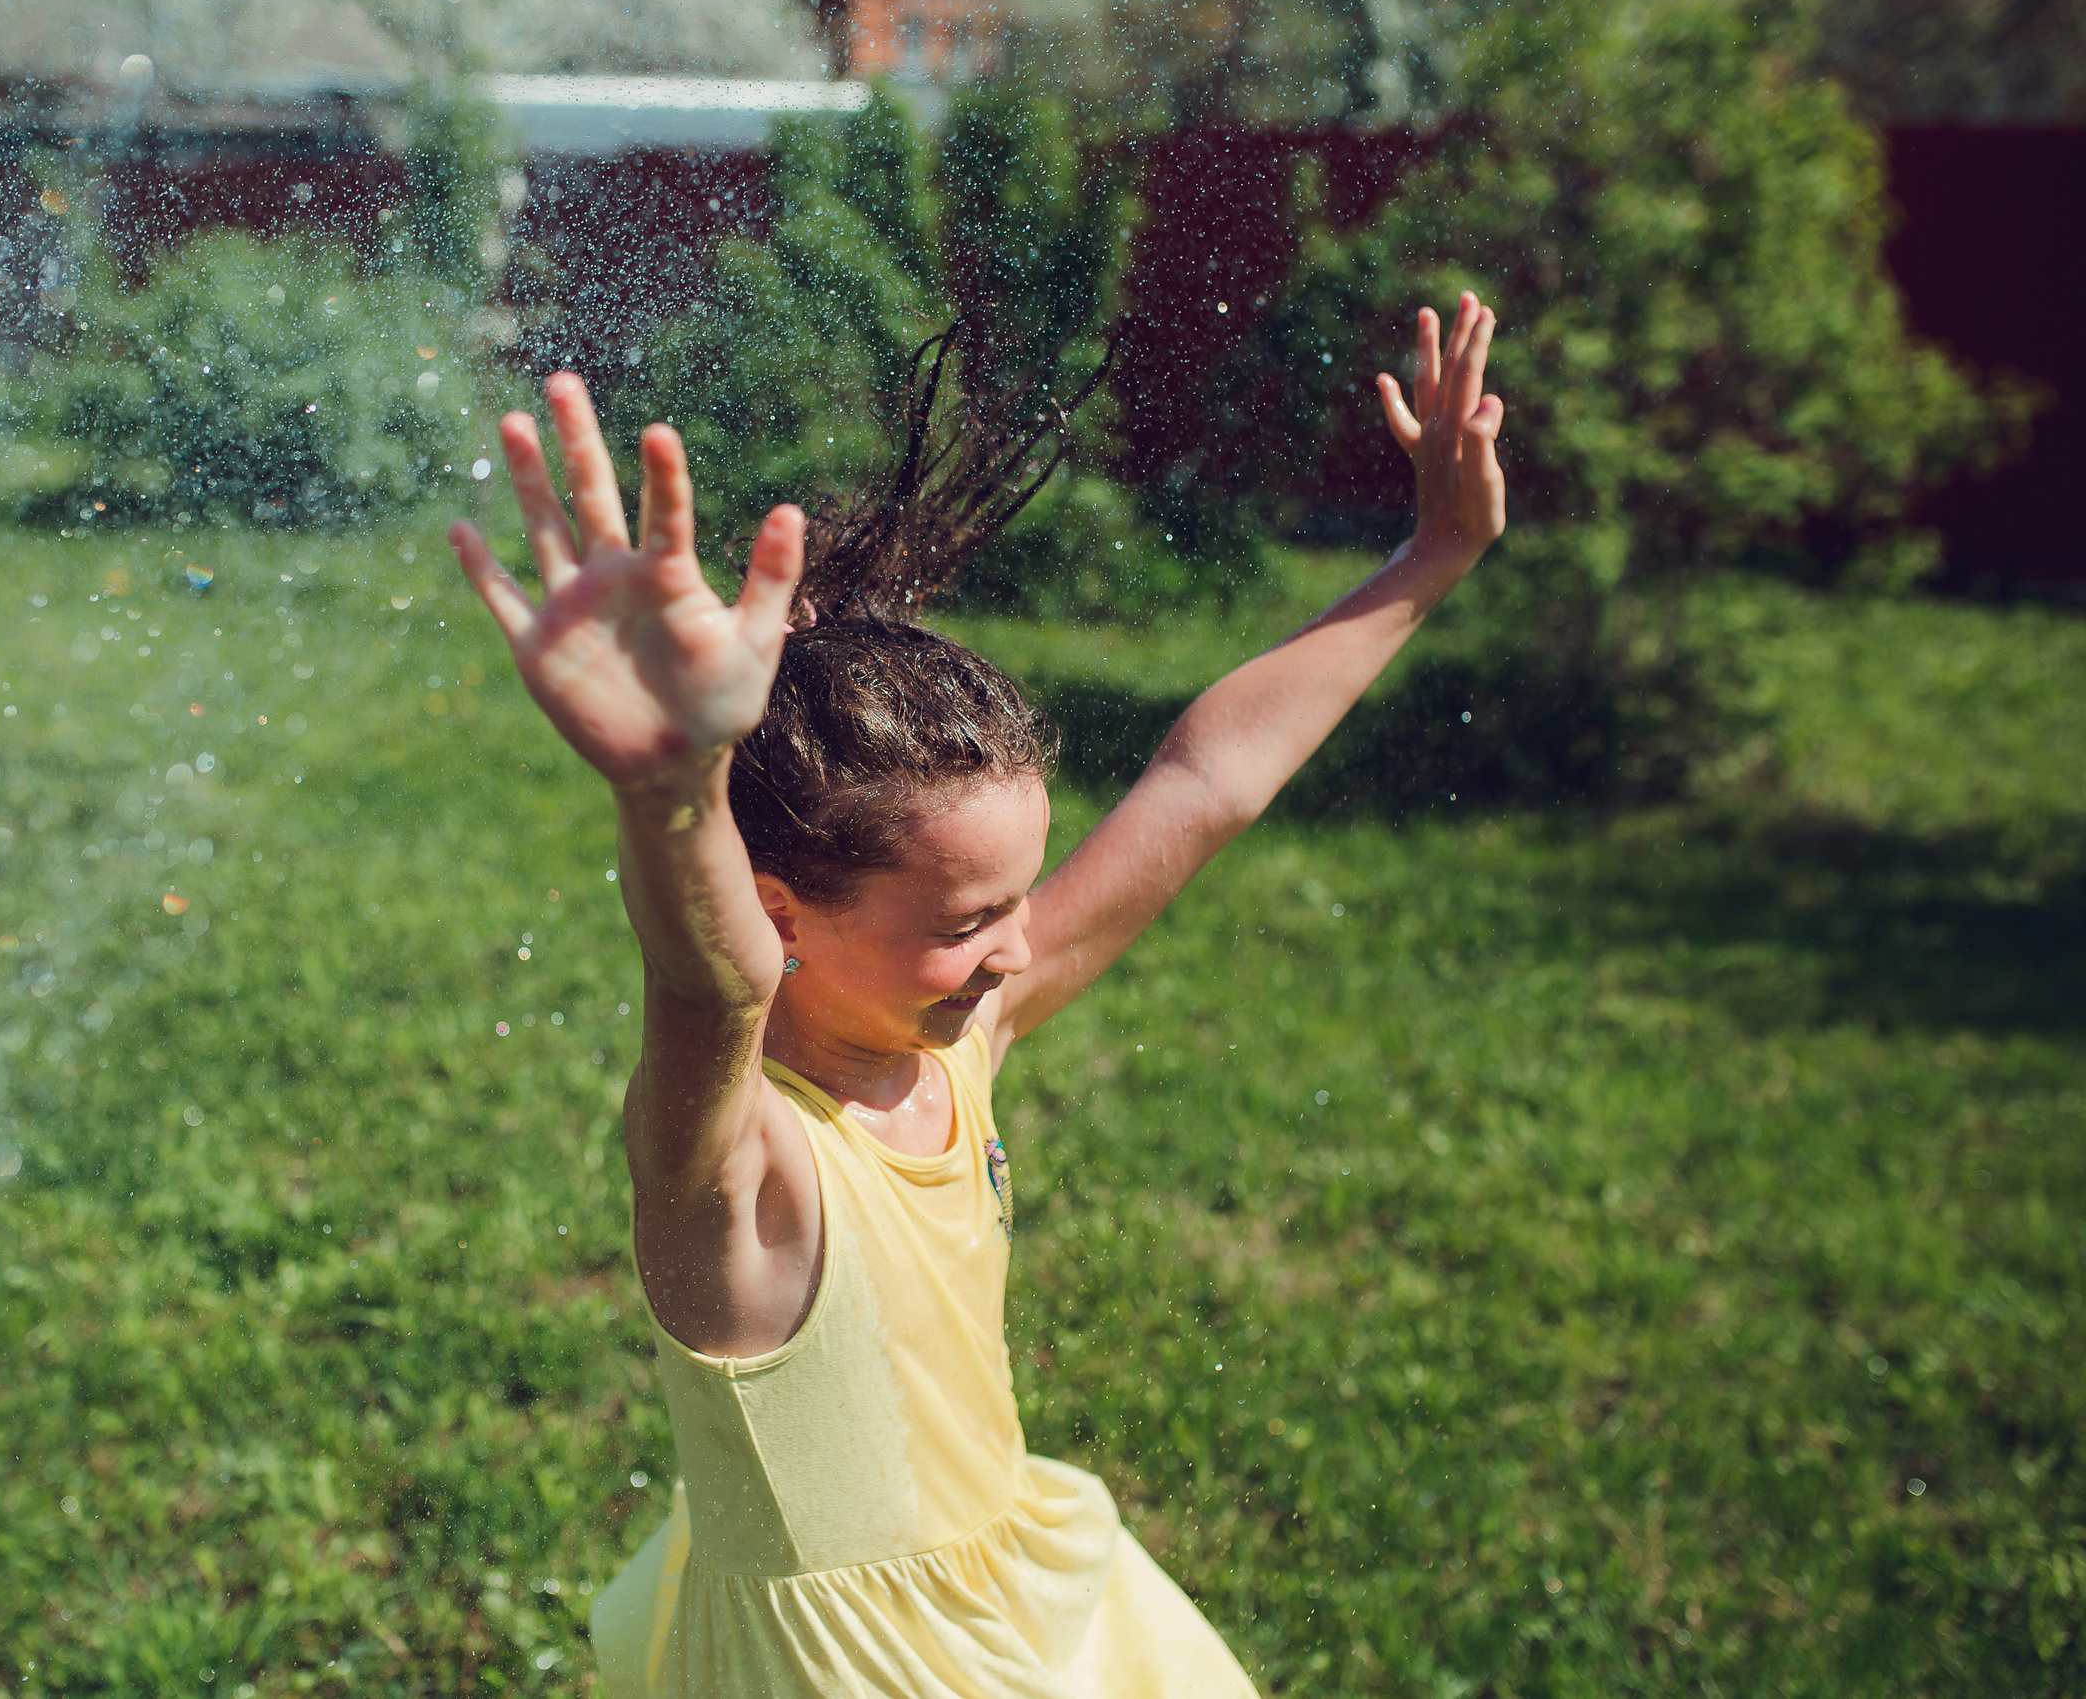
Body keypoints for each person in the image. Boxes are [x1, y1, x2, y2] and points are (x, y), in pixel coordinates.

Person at [448, 294, 1506, 1697]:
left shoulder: (959, 1041)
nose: (1020, 949)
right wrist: (671, 790)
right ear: (780, 912)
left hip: (1010, 1617)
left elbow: (1205, 781)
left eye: (1021, 898)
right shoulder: (743, 1167)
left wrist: (1430, 558)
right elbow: (703, 983)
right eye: (967, 922)